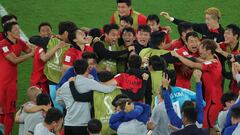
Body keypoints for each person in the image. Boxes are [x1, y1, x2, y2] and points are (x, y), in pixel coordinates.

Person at [171, 39, 223, 128]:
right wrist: (186, 56)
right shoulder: (214, 59)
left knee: (208, 127)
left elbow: (193, 65)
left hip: (213, 100)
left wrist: (178, 56)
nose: (199, 50)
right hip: (212, 97)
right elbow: (198, 60)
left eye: (202, 48)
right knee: (209, 125)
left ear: (208, 51)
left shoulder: (211, 64)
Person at [56, 59, 117, 135]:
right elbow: (108, 89)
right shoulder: (90, 83)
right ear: (87, 69)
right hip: (82, 124)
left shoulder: (65, 85)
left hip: (68, 124)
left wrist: (69, 104)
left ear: (74, 71)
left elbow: (59, 100)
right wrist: (116, 84)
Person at [0, 22, 35, 135]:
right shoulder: (3, 44)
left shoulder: (20, 42)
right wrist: (30, 54)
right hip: (2, 83)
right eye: (15, 29)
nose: (18, 31)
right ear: (8, 32)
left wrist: (37, 48)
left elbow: (31, 51)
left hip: (11, 83)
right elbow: (14, 60)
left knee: (10, 112)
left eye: (19, 29)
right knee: (1, 111)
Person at [44, 21, 77, 111]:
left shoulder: (71, 45)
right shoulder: (55, 41)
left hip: (59, 80)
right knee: (60, 105)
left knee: (62, 106)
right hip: (57, 80)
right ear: (66, 33)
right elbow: (45, 58)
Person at [29, 22, 63, 94]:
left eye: (48, 30)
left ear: (51, 31)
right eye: (43, 31)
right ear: (40, 33)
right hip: (39, 80)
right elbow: (44, 58)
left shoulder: (50, 42)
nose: (46, 32)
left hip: (47, 79)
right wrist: (57, 46)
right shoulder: (40, 47)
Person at [216, 24, 240, 94]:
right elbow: (214, 45)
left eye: (228, 33)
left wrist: (221, 51)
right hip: (234, 78)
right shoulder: (226, 45)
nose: (225, 35)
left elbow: (235, 58)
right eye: (225, 33)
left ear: (235, 36)